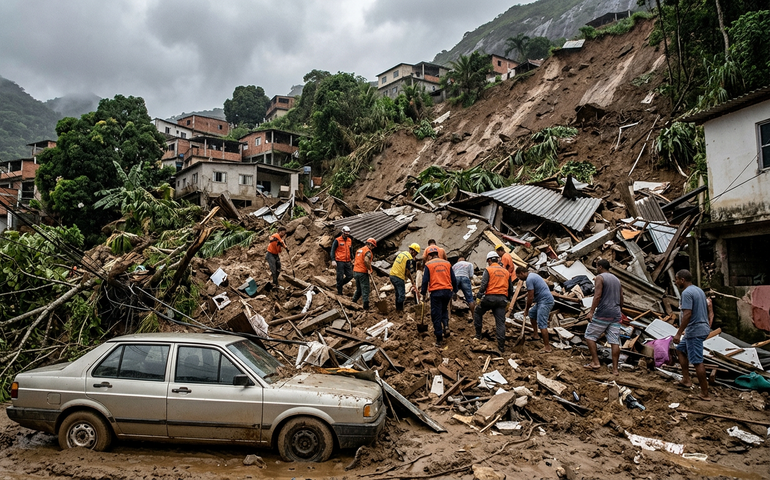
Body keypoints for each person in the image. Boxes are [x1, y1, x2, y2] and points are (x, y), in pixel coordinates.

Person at [673, 269, 712, 401]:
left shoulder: (686, 293)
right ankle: (686, 379)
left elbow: (687, 314)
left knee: (697, 361)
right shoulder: (698, 290)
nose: (675, 282)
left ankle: (705, 393)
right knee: (680, 349)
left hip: (695, 331)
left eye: (676, 279)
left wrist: (678, 333)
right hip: (701, 328)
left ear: (682, 280)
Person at [583, 259, 624, 375]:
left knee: (589, 336)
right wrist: (620, 311)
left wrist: (591, 312)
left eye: (597, 266)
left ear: (600, 267)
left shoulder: (600, 278)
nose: (596, 269)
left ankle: (595, 362)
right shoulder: (616, 279)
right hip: (616, 313)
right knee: (614, 341)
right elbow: (621, 297)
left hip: (603, 312)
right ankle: (615, 369)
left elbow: (597, 296)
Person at [474, 252, 513, 353]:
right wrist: (509, 300)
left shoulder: (488, 269)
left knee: (477, 312)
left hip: (490, 298)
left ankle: (478, 335)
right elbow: (510, 288)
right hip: (502, 300)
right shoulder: (506, 272)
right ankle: (501, 346)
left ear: (489, 260)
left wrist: (479, 296)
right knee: (500, 323)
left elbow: (483, 284)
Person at [421, 245, 456, 347]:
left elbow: (425, 281)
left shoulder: (428, 265)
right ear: (437, 254)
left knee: (436, 314)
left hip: (436, 293)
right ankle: (446, 326)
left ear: (429, 256)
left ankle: (439, 338)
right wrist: (455, 291)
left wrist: (423, 293)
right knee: (444, 309)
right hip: (447, 291)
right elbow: (453, 279)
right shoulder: (447, 263)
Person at [516, 266, 555, 353]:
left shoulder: (529, 279)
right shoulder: (532, 275)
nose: (519, 279)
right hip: (541, 301)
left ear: (522, 273)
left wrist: (526, 309)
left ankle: (547, 347)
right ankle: (535, 335)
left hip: (545, 301)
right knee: (532, 314)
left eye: (519, 276)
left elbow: (530, 297)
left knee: (542, 323)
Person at [390, 243, 420, 311]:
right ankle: (400, 310)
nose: (416, 255)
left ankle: (397, 308)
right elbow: (407, 272)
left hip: (392, 275)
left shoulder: (402, 253)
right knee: (402, 294)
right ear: (413, 251)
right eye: (416, 253)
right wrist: (412, 281)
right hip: (398, 277)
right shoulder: (409, 258)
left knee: (397, 293)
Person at [352, 238, 377, 310]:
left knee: (359, 289)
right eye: (373, 246)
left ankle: (353, 301)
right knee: (365, 289)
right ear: (370, 245)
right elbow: (366, 260)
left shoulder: (359, 250)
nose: (373, 248)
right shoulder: (367, 251)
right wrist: (369, 269)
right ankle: (366, 306)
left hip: (356, 271)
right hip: (362, 272)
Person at [330, 226, 354, 294]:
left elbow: (351, 250)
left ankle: (339, 285)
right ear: (343, 232)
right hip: (339, 261)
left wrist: (352, 258)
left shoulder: (349, 240)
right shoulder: (337, 240)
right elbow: (332, 250)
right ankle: (339, 292)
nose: (347, 234)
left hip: (347, 261)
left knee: (350, 276)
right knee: (340, 276)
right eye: (346, 233)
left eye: (348, 233)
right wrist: (333, 260)